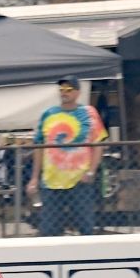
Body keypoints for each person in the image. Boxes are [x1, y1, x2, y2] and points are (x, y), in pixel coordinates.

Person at [28, 74, 108, 237]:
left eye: (69, 89)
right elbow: (39, 147)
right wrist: (35, 178)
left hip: (79, 179)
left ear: (77, 92)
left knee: (85, 226)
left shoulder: (88, 113)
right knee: (49, 229)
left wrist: (91, 171)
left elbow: (98, 143)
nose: (64, 93)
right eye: (62, 89)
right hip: (52, 180)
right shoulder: (48, 114)